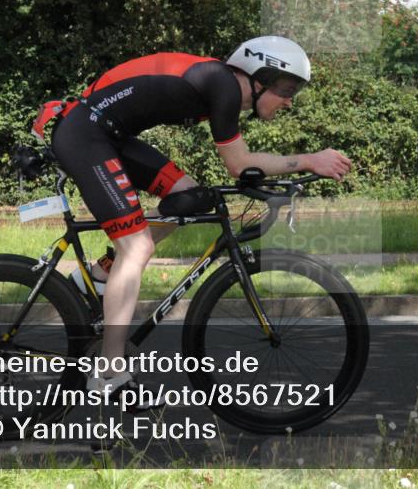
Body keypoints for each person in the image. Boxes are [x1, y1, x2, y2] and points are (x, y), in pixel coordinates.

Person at [42, 36, 352, 405]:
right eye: (286, 88)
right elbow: (240, 165)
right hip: (86, 134)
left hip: (107, 134)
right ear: (259, 76)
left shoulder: (221, 86)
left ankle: (100, 274)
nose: (289, 100)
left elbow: (243, 165)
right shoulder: (223, 84)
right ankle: (110, 373)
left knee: (189, 197)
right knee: (137, 245)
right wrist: (308, 160)